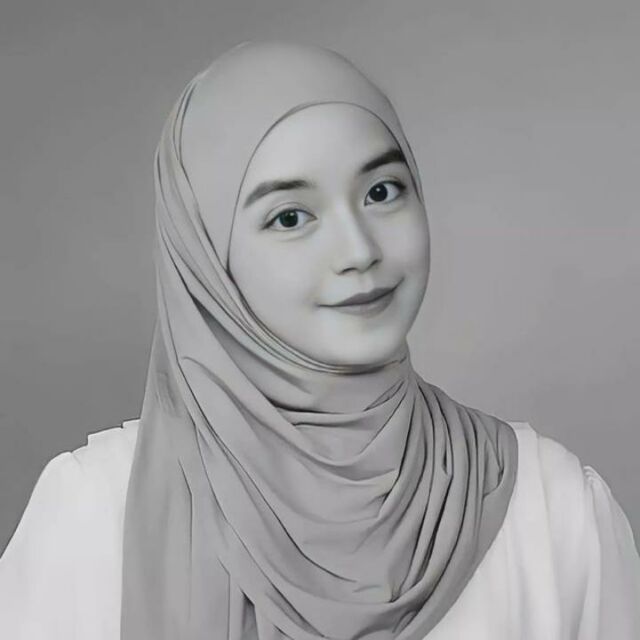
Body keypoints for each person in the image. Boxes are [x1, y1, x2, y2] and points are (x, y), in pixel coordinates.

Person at [0, 40, 638, 640]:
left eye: (381, 192)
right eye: (290, 217)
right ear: (204, 258)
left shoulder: (550, 509)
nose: (358, 250)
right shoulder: (96, 515)